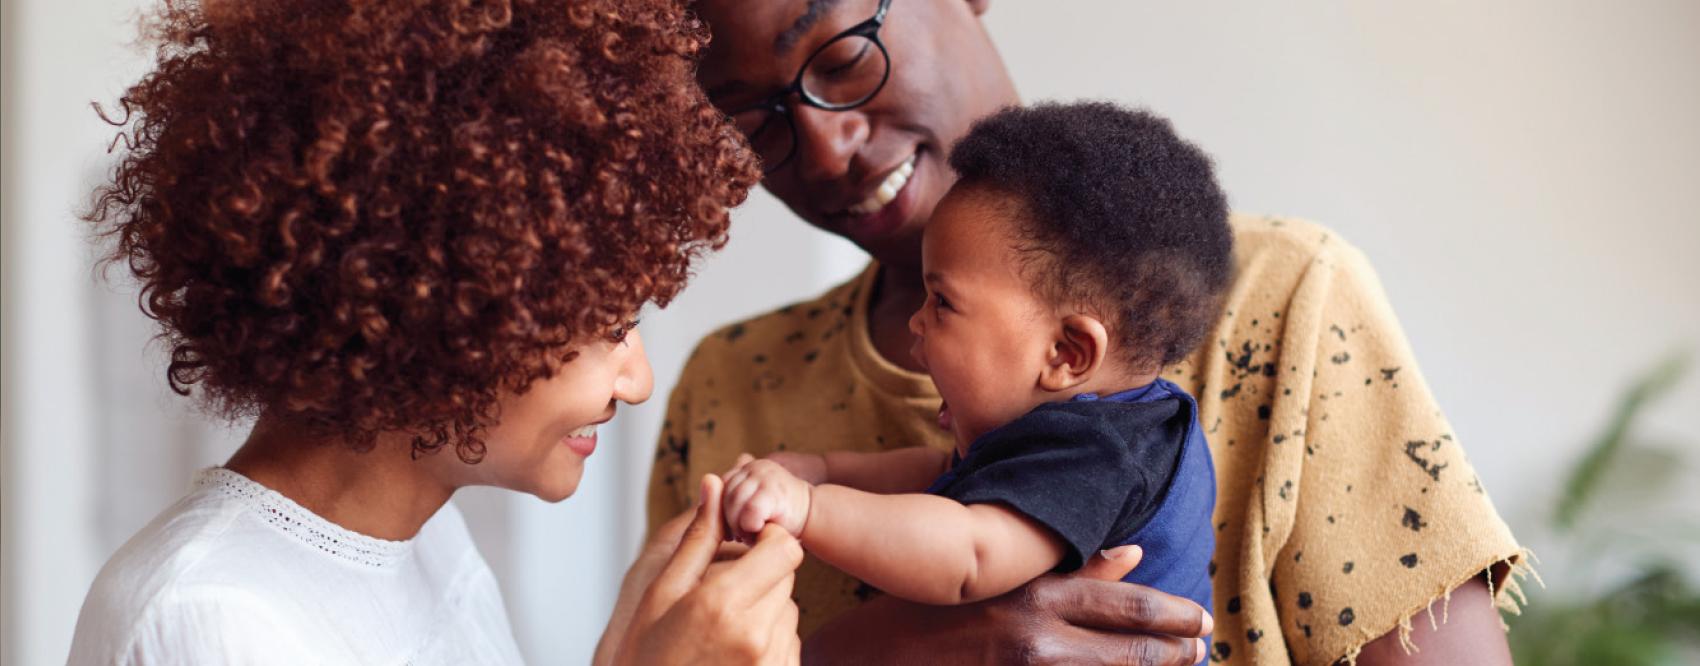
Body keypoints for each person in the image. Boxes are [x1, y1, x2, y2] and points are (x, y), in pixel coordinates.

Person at [645, 0, 1529, 664]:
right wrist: (877, 649)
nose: (825, 145)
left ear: (1073, 353)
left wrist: (814, 509)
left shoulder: (1284, 295)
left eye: (842, 55)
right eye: (752, 115)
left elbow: (971, 542)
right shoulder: (731, 385)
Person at [67, 0, 801, 663]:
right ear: (436, 301)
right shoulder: (210, 619)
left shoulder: (423, 542)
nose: (637, 383)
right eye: (610, 325)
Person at [717, 102, 1226, 635]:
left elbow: (968, 556)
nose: (916, 321)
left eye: (942, 302)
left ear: (1066, 354)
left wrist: (808, 507)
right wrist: (825, 468)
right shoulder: (1095, 430)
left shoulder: (1101, 452)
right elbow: (939, 475)